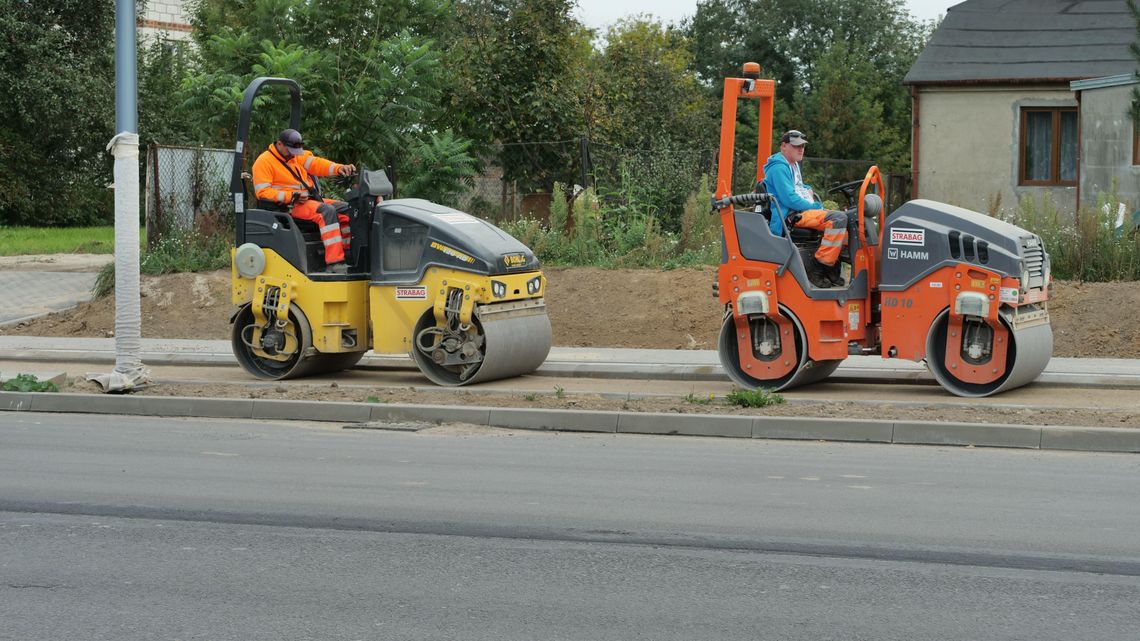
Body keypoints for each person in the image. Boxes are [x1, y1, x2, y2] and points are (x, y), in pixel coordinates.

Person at [252, 129, 357, 273]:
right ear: (279, 144)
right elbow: (263, 193)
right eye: (290, 151)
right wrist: (291, 196)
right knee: (326, 211)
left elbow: (318, 164)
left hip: (308, 200)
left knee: (348, 209)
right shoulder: (263, 162)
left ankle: (348, 253)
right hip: (288, 205)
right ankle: (334, 262)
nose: (293, 154)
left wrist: (339, 168)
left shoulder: (296, 156)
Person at [762, 130, 848, 288]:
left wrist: (807, 188)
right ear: (784, 146)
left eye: (802, 146)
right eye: (796, 146)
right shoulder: (779, 168)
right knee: (838, 219)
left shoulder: (792, 165)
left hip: (801, 211)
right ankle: (818, 266)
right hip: (791, 215)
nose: (800, 149)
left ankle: (831, 266)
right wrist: (815, 206)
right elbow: (789, 198)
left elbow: (797, 186)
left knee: (847, 222)